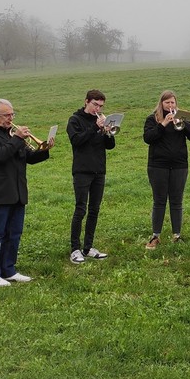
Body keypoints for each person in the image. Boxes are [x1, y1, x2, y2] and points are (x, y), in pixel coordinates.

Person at [0, 98, 53, 286]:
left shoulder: (12, 135)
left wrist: (44, 150)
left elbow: (29, 158)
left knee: (14, 234)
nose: (11, 118)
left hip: (18, 191)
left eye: (12, 114)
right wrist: (18, 138)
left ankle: (8, 270)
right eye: (7, 115)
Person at [143, 90, 190, 248]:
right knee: (159, 201)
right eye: (167, 102)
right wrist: (163, 124)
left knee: (177, 201)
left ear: (176, 104)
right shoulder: (152, 119)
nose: (170, 105)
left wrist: (184, 124)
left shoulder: (182, 117)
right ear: (161, 103)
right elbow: (148, 138)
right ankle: (155, 235)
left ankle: (177, 235)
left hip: (179, 165)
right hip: (158, 166)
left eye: (172, 102)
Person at [67, 89, 115, 264]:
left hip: (99, 170)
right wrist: (95, 127)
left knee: (95, 210)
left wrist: (107, 131)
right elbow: (77, 141)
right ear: (86, 101)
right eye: (95, 104)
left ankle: (88, 247)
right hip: (82, 171)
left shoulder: (100, 121)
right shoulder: (75, 120)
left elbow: (110, 146)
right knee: (81, 209)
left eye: (101, 105)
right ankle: (75, 249)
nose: (98, 108)